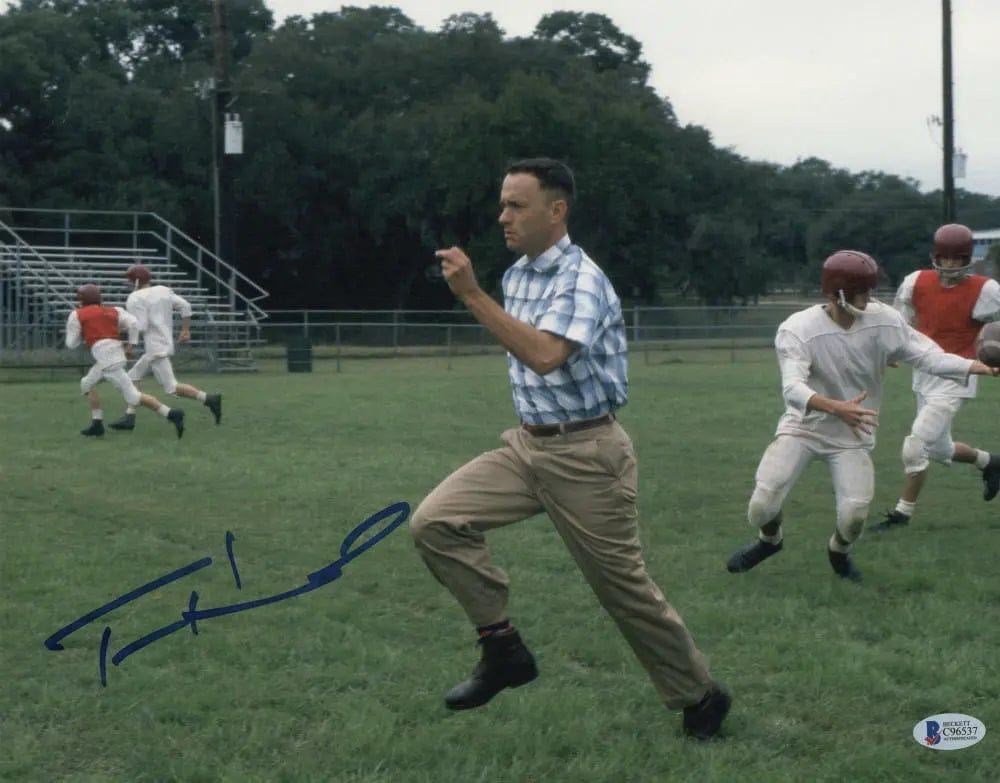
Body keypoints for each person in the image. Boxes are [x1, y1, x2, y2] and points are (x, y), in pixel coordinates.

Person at [409, 158, 731, 740]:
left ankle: (701, 695)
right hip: (527, 446)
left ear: (556, 211)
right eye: (503, 203)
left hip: (588, 455)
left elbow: (546, 355)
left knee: (624, 594)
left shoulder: (581, 279)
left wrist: (472, 295)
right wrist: (487, 294)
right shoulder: (518, 276)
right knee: (435, 522)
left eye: (516, 205)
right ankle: (503, 651)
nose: (503, 215)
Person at [725, 250, 1000, 582]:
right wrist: (836, 407)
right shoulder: (798, 328)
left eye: (871, 289)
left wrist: (977, 366)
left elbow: (929, 357)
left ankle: (838, 552)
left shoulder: (883, 320)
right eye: (862, 291)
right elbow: (792, 389)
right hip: (804, 429)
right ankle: (770, 541)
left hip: (853, 435)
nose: (870, 299)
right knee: (762, 506)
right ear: (835, 292)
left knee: (854, 515)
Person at [871, 223, 1000, 531]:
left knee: (915, 444)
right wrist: (890, 352)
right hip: (926, 371)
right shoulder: (916, 282)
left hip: (959, 373)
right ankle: (991, 463)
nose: (950, 264)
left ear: (967, 257)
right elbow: (900, 323)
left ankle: (902, 514)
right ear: (936, 256)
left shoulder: (986, 289)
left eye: (957, 258)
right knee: (939, 448)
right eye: (945, 258)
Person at [108, 264, 222, 431]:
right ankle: (129, 417)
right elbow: (186, 307)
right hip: (162, 342)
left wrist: (121, 327)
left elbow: (141, 326)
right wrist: (185, 329)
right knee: (132, 378)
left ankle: (210, 399)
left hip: (155, 347)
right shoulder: (162, 290)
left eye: (131, 280)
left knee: (172, 388)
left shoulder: (135, 297)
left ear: (137, 280)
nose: (129, 283)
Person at [65, 284, 185, 438]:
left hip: (107, 358)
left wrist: (83, 329)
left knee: (134, 397)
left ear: (81, 299)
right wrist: (131, 345)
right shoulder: (115, 310)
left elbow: (71, 344)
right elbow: (134, 324)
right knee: (87, 383)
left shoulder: (77, 314)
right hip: (114, 353)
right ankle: (97, 423)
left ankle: (172, 413)